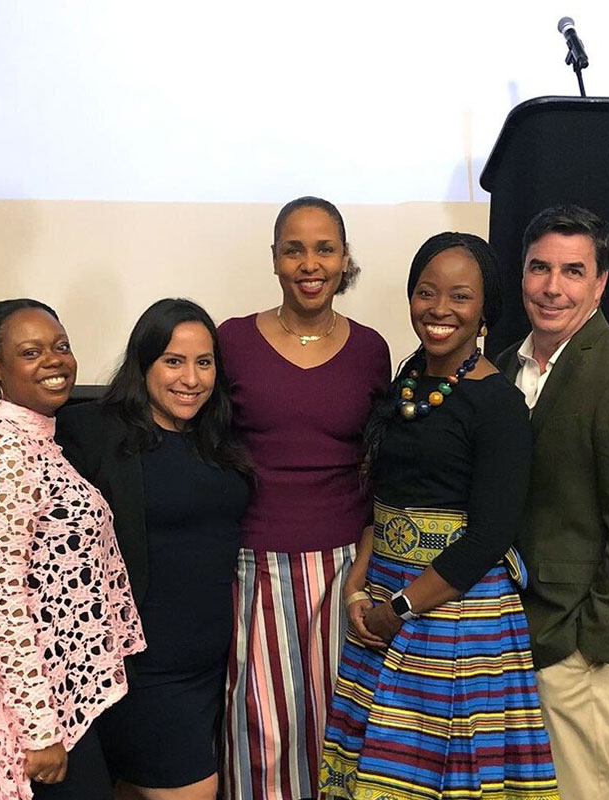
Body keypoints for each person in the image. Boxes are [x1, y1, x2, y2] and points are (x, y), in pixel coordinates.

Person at [320, 231, 559, 800]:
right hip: (383, 600)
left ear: (484, 311)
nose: (439, 309)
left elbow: (490, 535)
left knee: (441, 779)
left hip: (455, 615)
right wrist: (359, 584)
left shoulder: (499, 404)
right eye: (426, 293)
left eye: (460, 296)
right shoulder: (407, 383)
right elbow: (384, 497)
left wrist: (398, 610)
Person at [494, 205, 609, 800]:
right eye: (538, 268)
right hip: (505, 632)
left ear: (600, 283)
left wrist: (595, 640)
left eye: (573, 272)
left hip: (573, 641)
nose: (552, 287)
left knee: (582, 791)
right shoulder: (503, 368)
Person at [0, 299, 145, 799]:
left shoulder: (33, 438)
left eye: (61, 347)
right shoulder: (0, 449)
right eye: (32, 352)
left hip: (50, 695)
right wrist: (40, 731)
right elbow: (0, 602)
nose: (55, 361)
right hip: (24, 712)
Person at [218, 196, 390, 800]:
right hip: (254, 569)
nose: (309, 263)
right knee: (262, 739)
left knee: (341, 734)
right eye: (294, 249)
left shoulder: (371, 349)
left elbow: (376, 467)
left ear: (344, 260)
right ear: (274, 260)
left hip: (345, 571)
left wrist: (364, 574)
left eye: (324, 248)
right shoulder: (232, 340)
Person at [53, 299, 252, 799]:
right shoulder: (92, 432)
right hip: (142, 670)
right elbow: (19, 503)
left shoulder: (219, 438)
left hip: (213, 668)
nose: (191, 378)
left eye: (203, 363)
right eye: (173, 361)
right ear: (143, 364)